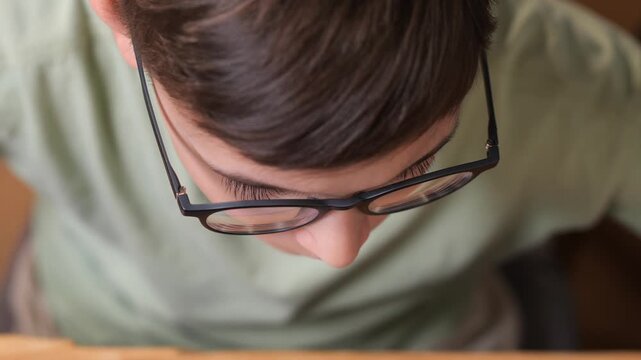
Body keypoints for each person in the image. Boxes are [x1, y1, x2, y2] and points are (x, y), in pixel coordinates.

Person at [0, 0, 639, 350]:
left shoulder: (572, 85)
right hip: (93, 332)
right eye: (254, 193)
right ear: (117, 19)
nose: (341, 254)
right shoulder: (22, 49)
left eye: (420, 166)